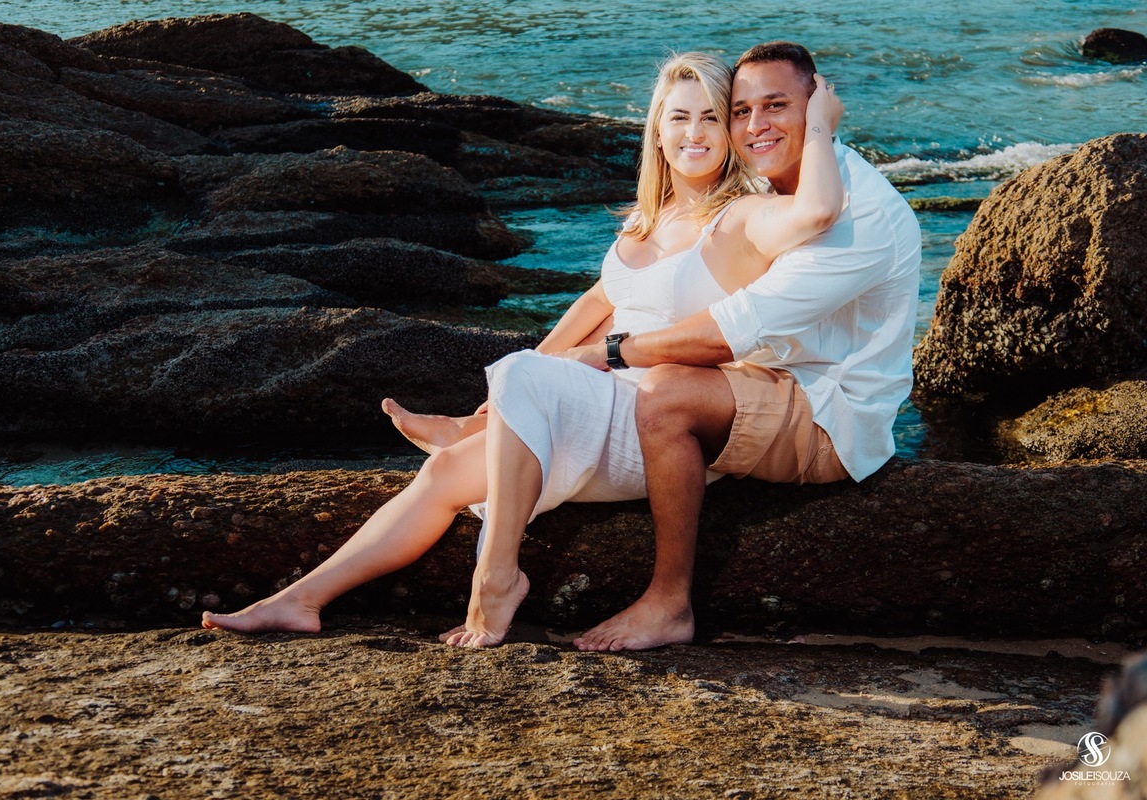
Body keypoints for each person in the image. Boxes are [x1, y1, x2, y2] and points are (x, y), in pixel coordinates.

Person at [200, 51, 844, 643]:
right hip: (604, 406)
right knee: (447, 471)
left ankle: (497, 577)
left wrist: (818, 125)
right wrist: (515, 387)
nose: (694, 133)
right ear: (656, 131)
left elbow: (816, 212)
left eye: (711, 117)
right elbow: (601, 298)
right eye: (678, 118)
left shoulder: (738, 217)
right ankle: (299, 600)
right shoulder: (655, 216)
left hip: (664, 421)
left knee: (521, 376)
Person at [556, 42, 922, 652]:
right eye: (742, 109)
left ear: (819, 106)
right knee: (637, 341)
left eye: (776, 106)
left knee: (665, 391)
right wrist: (541, 364)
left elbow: (734, 327)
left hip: (828, 407)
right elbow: (623, 286)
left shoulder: (862, 220)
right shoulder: (762, 179)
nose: (756, 125)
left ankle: (669, 602)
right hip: (762, 374)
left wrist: (613, 352)